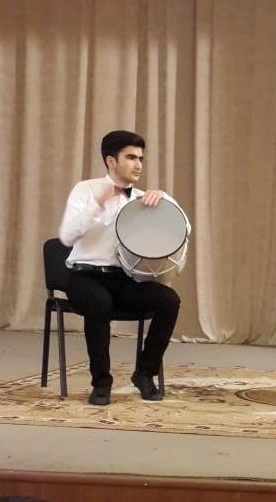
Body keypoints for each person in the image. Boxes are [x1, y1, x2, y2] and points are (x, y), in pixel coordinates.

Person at [58, 130, 190, 405]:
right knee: (99, 302)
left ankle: (144, 373)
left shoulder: (143, 199)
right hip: (85, 276)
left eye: (141, 158)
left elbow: (184, 229)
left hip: (123, 279)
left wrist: (167, 201)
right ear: (111, 161)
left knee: (168, 300)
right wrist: (98, 203)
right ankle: (101, 382)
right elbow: (67, 236)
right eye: (131, 157)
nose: (138, 164)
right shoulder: (85, 190)